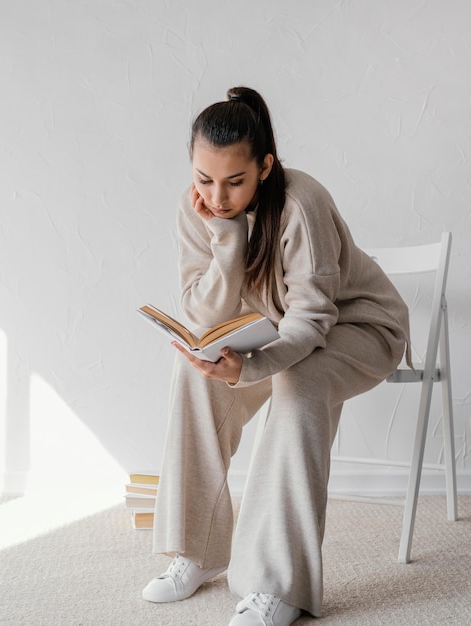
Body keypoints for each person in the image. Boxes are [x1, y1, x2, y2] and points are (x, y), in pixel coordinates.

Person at [142, 86, 410, 625]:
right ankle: (196, 551)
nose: (216, 195)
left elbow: (314, 318)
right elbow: (203, 310)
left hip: (358, 326)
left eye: (234, 181)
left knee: (298, 383)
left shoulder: (300, 202)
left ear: (265, 166)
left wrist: (256, 366)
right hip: (282, 328)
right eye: (203, 178)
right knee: (192, 372)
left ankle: (276, 583)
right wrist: (226, 236)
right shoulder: (199, 208)